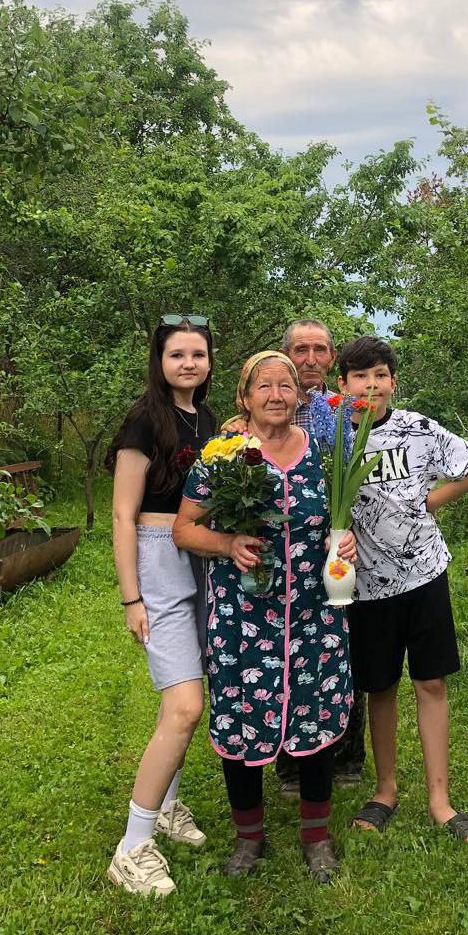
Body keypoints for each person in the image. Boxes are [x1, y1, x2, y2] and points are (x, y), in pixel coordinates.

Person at [173, 350, 357, 883]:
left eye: (286, 386)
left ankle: (316, 837)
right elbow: (184, 528)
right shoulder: (223, 457)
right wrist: (227, 543)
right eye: (264, 386)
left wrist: (344, 541)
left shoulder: (323, 456)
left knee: (314, 713)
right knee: (241, 717)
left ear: (300, 396)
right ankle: (248, 838)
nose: (276, 395)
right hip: (243, 616)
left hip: (314, 614)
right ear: (245, 397)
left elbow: (341, 520)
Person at [337, 335, 468, 844]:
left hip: (425, 575)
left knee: (431, 683)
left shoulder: (418, 428)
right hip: (366, 587)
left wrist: (433, 501)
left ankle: (440, 801)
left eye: (381, 375)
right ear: (343, 384)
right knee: (380, 688)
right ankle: (385, 791)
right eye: (361, 376)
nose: (372, 385)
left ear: (393, 382)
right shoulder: (333, 438)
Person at [104, 315, 218, 897]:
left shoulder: (209, 420)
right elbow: (123, 514)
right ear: (160, 361)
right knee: (185, 706)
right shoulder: (144, 421)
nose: (188, 364)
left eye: (198, 354)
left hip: (201, 556)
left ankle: (167, 807)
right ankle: (132, 847)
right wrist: (133, 596)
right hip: (157, 557)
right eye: (177, 355)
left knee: (187, 695)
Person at [276, 317, 367, 791]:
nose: (310, 359)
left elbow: (357, 477)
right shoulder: (272, 405)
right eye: (301, 349)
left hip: (336, 546)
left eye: (319, 350)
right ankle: (290, 759)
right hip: (283, 552)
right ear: (287, 354)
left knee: (342, 648)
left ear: (332, 358)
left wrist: (347, 529)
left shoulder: (344, 408)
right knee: (286, 650)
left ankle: (347, 756)